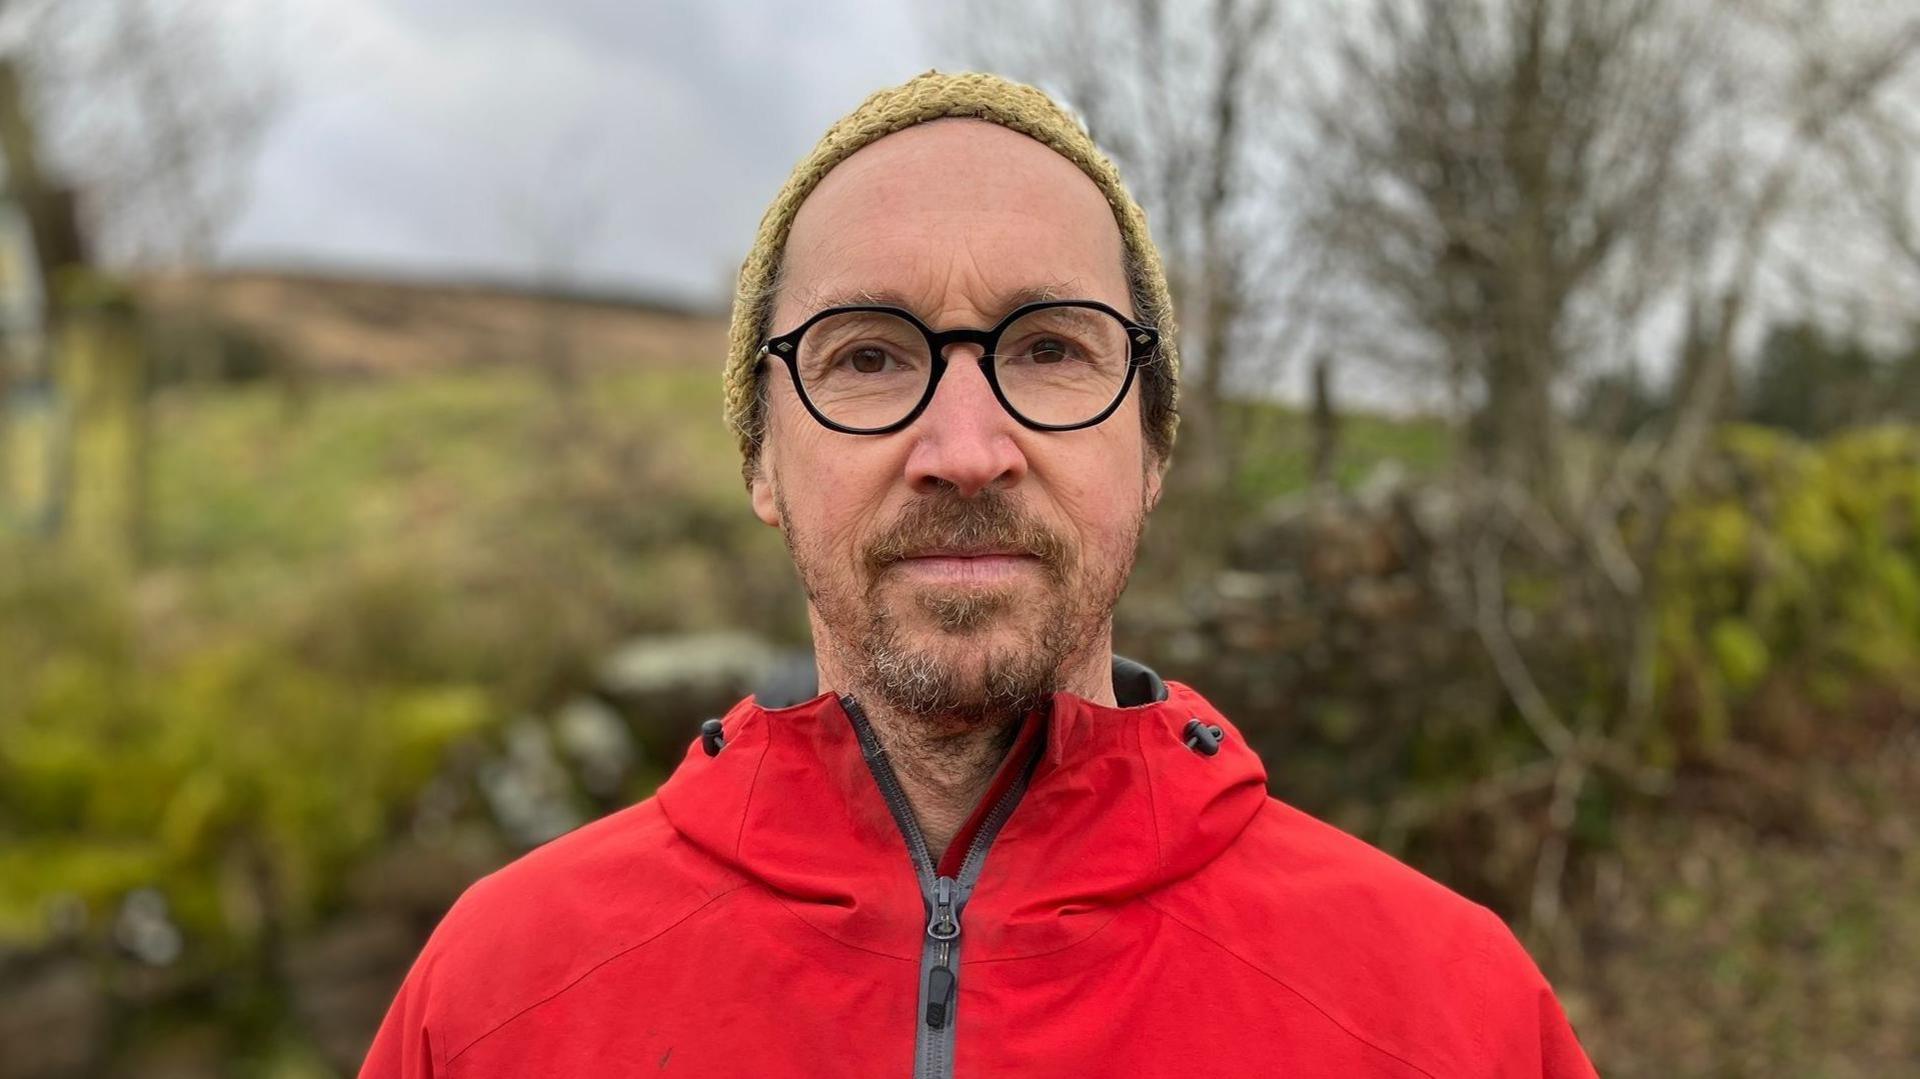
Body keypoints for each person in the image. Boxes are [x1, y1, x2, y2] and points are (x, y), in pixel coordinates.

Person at [361, 70, 1597, 1078]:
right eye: (868, 357)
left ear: (1155, 442)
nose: (963, 451)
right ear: (761, 457)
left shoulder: (1451, 1013)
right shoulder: (494, 999)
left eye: (1052, 346)